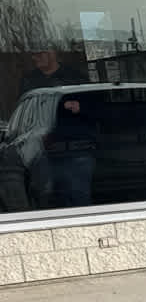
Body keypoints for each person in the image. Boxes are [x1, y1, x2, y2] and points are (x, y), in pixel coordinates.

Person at [17, 48, 93, 208]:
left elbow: (96, 107)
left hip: (74, 150)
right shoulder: (29, 81)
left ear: (52, 53)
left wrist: (80, 106)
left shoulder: (75, 77)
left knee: (78, 200)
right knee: (45, 201)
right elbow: (22, 111)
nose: (34, 58)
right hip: (38, 152)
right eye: (32, 54)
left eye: (38, 53)